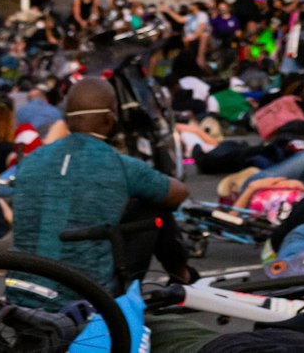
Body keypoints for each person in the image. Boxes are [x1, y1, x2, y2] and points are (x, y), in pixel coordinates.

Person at [12, 76, 190, 297]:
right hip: (90, 300)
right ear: (109, 119)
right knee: (153, 208)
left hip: (21, 296)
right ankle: (183, 278)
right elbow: (178, 193)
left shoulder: (30, 161)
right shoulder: (118, 163)